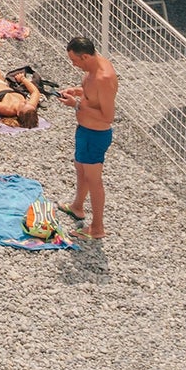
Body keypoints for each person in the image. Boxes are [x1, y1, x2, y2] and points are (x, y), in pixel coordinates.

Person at [60, 34, 117, 240]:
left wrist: (76, 104)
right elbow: (92, 96)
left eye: (75, 61)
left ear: (85, 57)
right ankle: (77, 207)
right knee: (80, 168)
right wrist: (76, 91)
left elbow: (108, 116)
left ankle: (98, 228)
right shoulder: (94, 66)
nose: (74, 65)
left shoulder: (103, 78)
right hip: (85, 131)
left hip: (96, 135)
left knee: (94, 180)